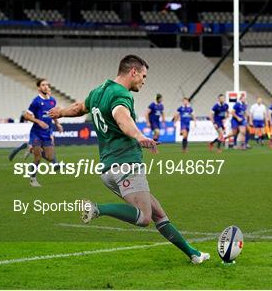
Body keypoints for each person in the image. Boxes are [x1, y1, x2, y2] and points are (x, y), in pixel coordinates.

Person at [48, 55, 209, 264]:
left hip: (108, 170)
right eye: (143, 76)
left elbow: (79, 108)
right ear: (133, 71)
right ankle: (97, 209)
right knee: (144, 217)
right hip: (126, 165)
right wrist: (139, 136)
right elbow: (122, 117)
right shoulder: (120, 95)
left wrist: (60, 111)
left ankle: (193, 254)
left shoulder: (98, 92)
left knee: (158, 215)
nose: (144, 80)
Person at [18, 79, 63, 186]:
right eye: (43, 85)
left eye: (47, 85)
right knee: (37, 158)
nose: (46, 86)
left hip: (46, 133)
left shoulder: (52, 101)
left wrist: (57, 123)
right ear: (39, 88)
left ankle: (32, 149)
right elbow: (26, 115)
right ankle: (33, 179)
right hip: (36, 133)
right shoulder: (36, 101)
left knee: (50, 157)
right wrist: (39, 121)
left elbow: (53, 114)